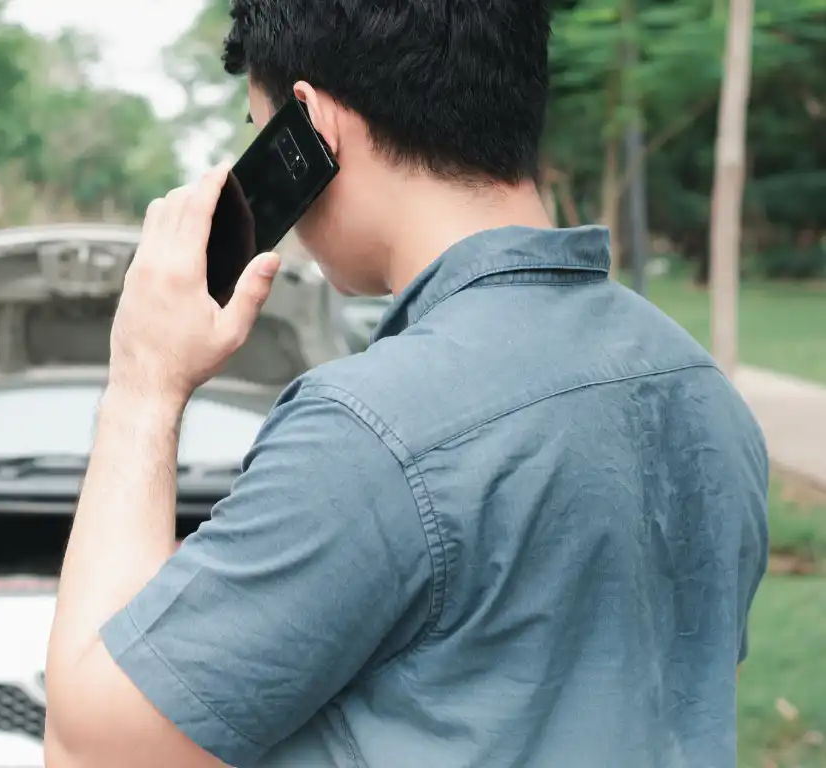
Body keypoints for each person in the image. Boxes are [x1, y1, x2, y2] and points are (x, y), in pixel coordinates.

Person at [43, 1, 769, 766]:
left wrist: (144, 381)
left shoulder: (369, 433)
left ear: (310, 127)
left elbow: (93, 752)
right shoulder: (699, 389)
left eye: (264, 133)